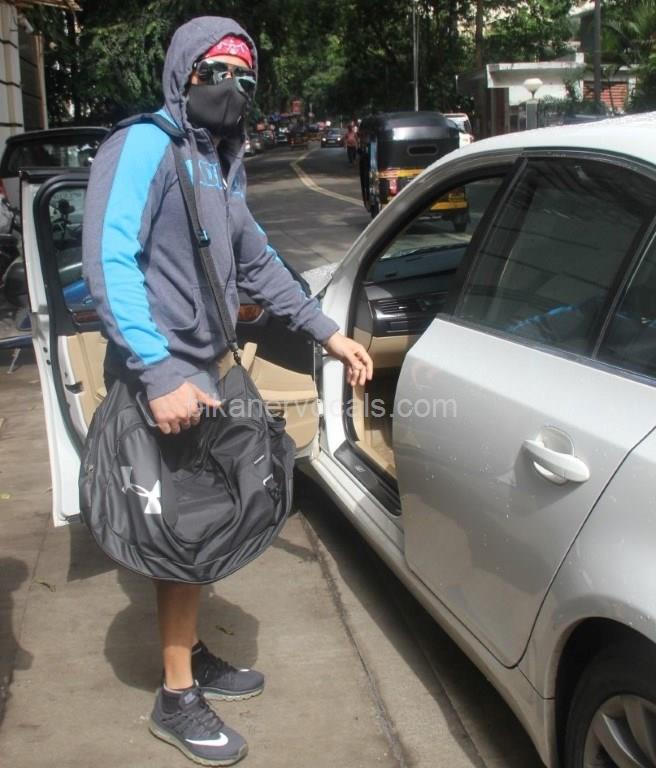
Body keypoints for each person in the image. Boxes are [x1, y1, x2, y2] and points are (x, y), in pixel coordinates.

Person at [82, 15, 373, 768]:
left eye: (244, 75)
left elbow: (257, 260)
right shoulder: (143, 144)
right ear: (183, 73)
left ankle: (192, 653)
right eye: (216, 71)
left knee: (222, 512)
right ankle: (176, 696)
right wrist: (158, 373)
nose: (232, 86)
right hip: (165, 378)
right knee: (182, 533)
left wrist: (325, 331)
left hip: (210, 371)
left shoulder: (217, 160)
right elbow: (109, 259)